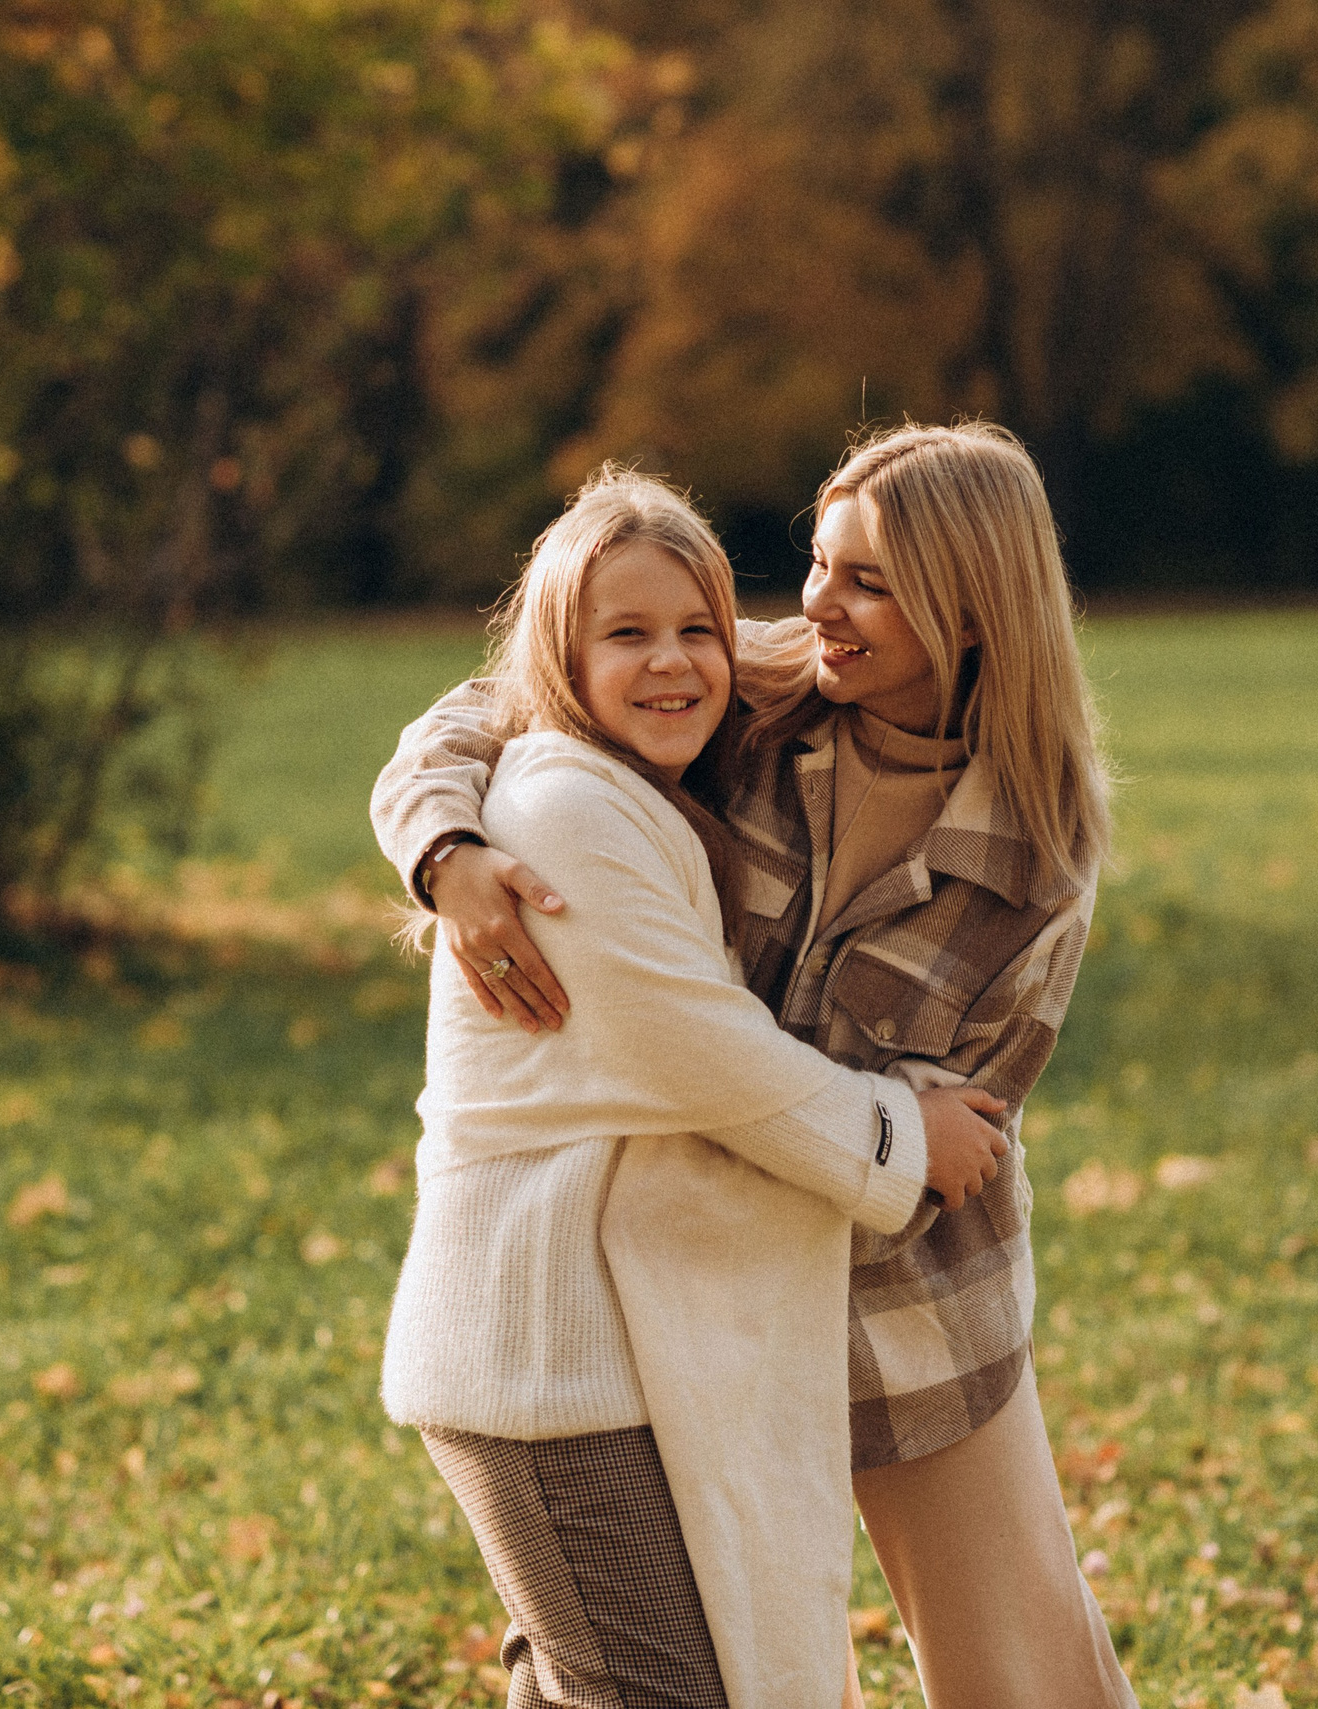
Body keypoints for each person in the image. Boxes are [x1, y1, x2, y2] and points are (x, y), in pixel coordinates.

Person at [374, 422, 1138, 1709]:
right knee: (651, 1651)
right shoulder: (755, 683)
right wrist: (445, 853)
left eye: (867, 581)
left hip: (905, 1280)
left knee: (1022, 1672)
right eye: (819, 563)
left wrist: (884, 1143)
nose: (816, 606)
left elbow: (961, 1123)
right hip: (686, 1264)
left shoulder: (1039, 854)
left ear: (968, 608)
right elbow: (488, 710)